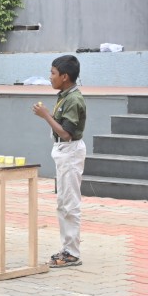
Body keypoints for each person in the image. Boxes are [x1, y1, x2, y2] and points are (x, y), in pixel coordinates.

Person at [32, 54, 87, 268]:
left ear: (65, 76)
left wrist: (46, 115)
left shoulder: (73, 99)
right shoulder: (65, 95)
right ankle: (67, 248)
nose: (50, 77)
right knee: (63, 202)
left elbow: (66, 133)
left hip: (70, 151)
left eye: (53, 73)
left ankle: (72, 252)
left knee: (70, 203)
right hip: (63, 151)